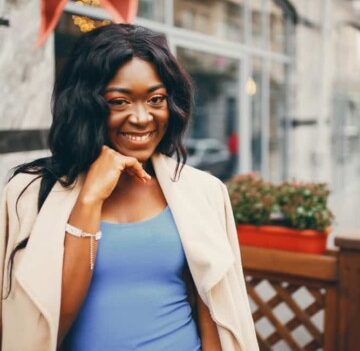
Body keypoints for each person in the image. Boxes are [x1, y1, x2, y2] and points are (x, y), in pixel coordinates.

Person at [0, 24, 258, 351]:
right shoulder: (29, 194)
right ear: (85, 104)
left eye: (155, 99)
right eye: (120, 101)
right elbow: (46, 327)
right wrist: (90, 197)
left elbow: (214, 312)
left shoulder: (202, 191)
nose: (141, 117)